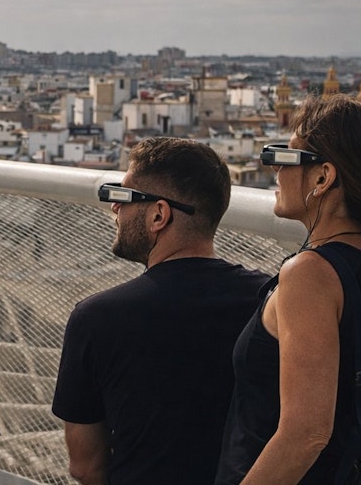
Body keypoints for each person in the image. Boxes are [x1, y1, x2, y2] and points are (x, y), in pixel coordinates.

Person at [215, 95, 361, 483]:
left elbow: (306, 435)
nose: (273, 170)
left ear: (322, 177)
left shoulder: (312, 274)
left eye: (284, 157)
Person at [50, 137, 269, 484]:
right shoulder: (269, 300)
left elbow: (85, 467)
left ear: (159, 214)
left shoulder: (96, 318)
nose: (114, 209)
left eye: (123, 197)